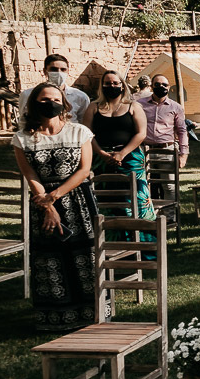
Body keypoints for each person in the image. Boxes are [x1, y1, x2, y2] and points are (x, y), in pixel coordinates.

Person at [11, 86, 97, 330]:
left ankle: (92, 312)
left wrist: (55, 196)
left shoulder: (80, 132)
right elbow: (30, 174)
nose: (50, 103)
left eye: (56, 100)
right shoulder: (22, 139)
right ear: (34, 104)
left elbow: (83, 170)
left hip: (77, 201)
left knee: (85, 255)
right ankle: (56, 315)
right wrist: (48, 206)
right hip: (41, 203)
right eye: (45, 100)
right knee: (49, 258)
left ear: (64, 104)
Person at [83, 71, 156, 225]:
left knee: (136, 197)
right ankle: (111, 238)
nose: (112, 86)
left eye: (116, 83)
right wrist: (102, 154)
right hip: (101, 158)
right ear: (102, 86)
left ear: (122, 86)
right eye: (108, 83)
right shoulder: (93, 107)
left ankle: (144, 238)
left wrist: (122, 154)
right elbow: (87, 134)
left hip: (130, 158)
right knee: (107, 198)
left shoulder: (133, 106)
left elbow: (141, 133)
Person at [137, 73, 189, 203]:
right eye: (157, 84)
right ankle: (150, 217)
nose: (161, 87)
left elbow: (182, 131)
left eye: (164, 85)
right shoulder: (139, 105)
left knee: (169, 186)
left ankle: (170, 217)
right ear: (151, 86)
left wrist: (184, 154)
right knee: (144, 186)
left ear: (169, 87)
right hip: (145, 150)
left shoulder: (175, 107)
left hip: (167, 150)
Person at [18, 54, 91, 125]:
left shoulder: (80, 97)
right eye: (54, 69)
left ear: (68, 71)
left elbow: (84, 123)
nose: (59, 73)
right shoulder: (27, 94)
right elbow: (23, 121)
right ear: (45, 71)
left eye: (63, 69)